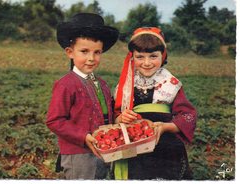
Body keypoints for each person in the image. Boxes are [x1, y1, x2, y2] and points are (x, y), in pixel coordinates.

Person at [113, 27, 197, 180]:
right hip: (134, 147)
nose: (147, 63)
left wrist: (165, 127)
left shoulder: (170, 84)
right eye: (140, 57)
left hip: (165, 148)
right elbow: (115, 115)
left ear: (162, 55)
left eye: (153, 56)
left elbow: (187, 116)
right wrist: (121, 118)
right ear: (132, 56)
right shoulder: (126, 84)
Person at [46, 13, 119, 179]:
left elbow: (108, 114)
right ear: (70, 52)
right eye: (84, 51)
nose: (91, 58)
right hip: (79, 155)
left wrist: (120, 120)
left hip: (103, 150)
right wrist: (84, 136)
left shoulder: (102, 84)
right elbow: (54, 121)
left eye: (97, 52)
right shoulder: (66, 84)